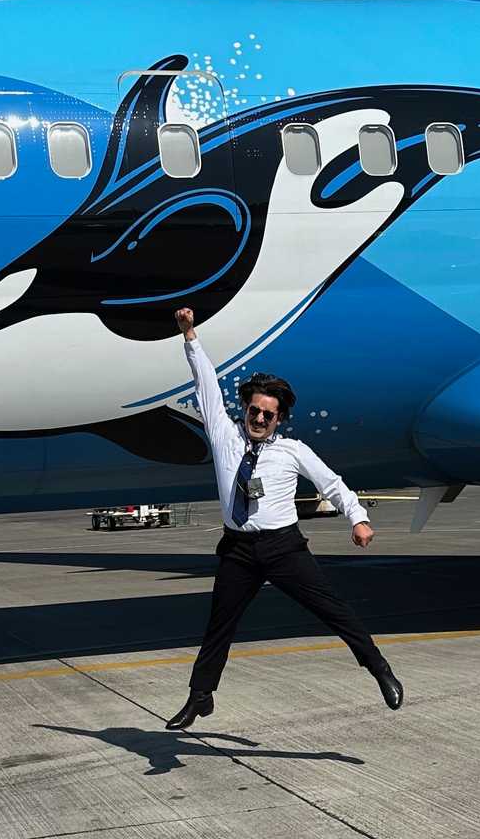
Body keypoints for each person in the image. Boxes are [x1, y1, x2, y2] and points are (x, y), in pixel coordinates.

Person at [166, 307, 403, 730]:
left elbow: (333, 483)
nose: (258, 418)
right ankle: (200, 696)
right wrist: (189, 335)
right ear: (246, 408)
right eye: (254, 410)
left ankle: (379, 669)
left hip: (282, 547)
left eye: (267, 415)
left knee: (333, 610)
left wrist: (358, 519)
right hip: (239, 549)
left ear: (279, 419)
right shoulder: (224, 435)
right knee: (219, 624)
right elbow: (204, 384)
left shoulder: (292, 451)